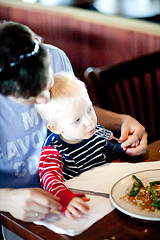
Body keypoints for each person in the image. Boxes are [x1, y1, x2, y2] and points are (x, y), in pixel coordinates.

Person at [0, 20, 147, 225]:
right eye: (31, 98)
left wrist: (122, 121)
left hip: (80, 185)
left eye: (47, 85)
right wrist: (5, 199)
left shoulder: (56, 57)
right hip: (18, 212)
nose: (44, 100)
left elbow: (74, 111)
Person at [35, 72, 128, 219]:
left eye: (89, 110)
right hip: (81, 201)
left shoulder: (95, 130)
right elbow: (49, 179)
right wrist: (65, 198)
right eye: (77, 119)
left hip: (107, 188)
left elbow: (110, 149)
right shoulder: (53, 149)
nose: (89, 121)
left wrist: (124, 148)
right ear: (56, 128)